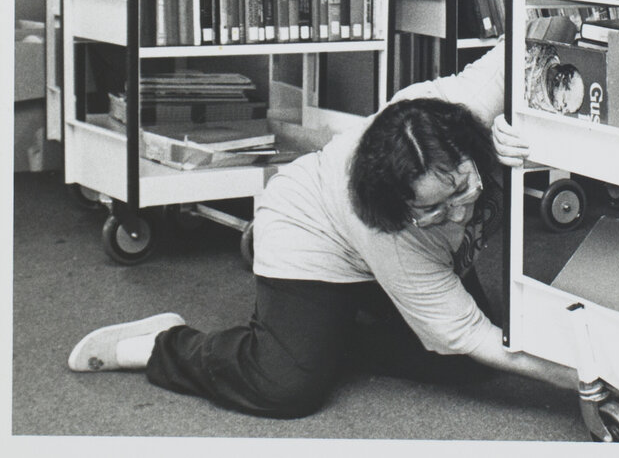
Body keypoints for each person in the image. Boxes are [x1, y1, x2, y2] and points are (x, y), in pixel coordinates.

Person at [67, 43, 578, 419]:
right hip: (307, 234)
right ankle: (163, 344)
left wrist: (520, 125)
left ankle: (330, 337)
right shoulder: (390, 232)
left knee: (463, 367)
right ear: (401, 210)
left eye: (462, 188)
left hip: (401, 250)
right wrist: (585, 381)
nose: (461, 215)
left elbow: (531, 40)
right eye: (435, 210)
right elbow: (472, 333)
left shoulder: (460, 104)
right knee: (284, 387)